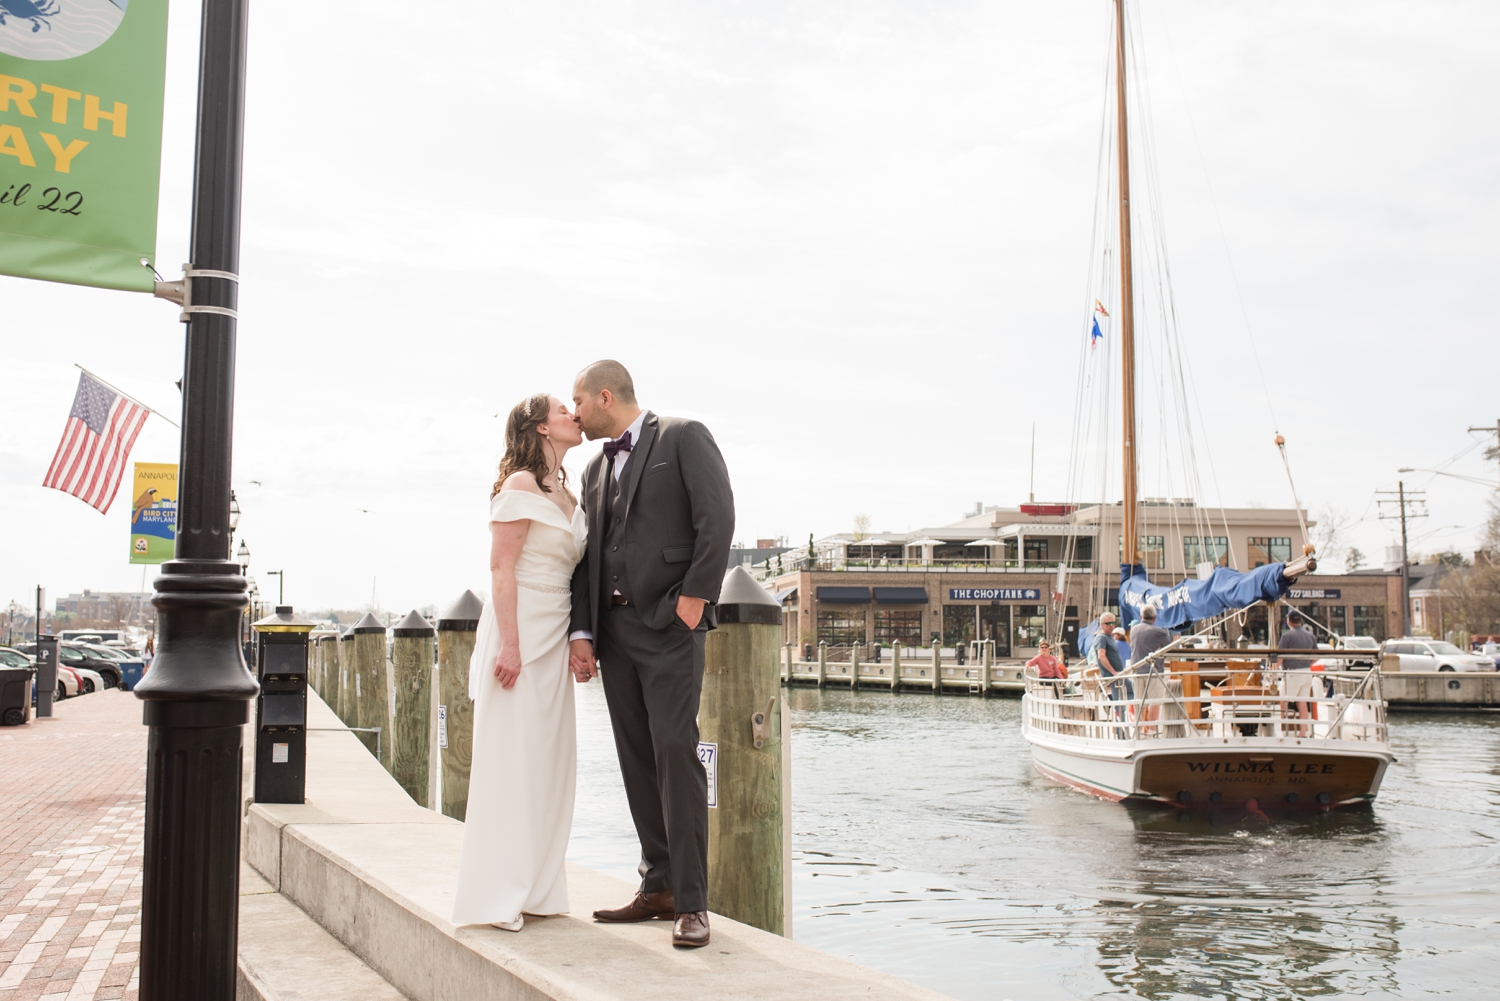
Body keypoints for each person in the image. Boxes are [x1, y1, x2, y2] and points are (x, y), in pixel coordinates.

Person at [567, 360, 735, 949]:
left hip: (669, 626)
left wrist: (693, 601)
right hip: (614, 636)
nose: (575, 412)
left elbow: (717, 518)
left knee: (675, 752)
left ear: (605, 396)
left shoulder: (683, 436)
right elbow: (589, 557)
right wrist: (583, 634)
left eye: (579, 402)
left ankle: (692, 904)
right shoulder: (592, 467)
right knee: (637, 759)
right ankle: (657, 885)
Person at [452, 393, 589, 933]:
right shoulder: (519, 487)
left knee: (550, 763)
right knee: (510, 762)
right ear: (539, 427)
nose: (574, 416)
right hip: (519, 632)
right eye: (563, 410)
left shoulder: (571, 494)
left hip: (555, 634)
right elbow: (501, 570)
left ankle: (538, 887)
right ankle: (496, 895)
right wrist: (510, 646)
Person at [1129, 607, 1172, 730]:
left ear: (1141, 617)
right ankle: (1152, 730)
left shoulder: (1133, 630)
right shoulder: (1158, 632)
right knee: (1155, 702)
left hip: (1137, 672)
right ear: (1154, 618)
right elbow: (1169, 648)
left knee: (1140, 702)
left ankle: (1139, 730)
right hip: (1153, 673)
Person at [1279, 610, 1319, 736]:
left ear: (1289, 621)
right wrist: (1308, 664)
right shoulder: (1310, 636)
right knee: (1302, 703)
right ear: (1300, 621)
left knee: (1281, 699)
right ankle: (1302, 732)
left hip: (1293, 672)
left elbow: (1279, 658)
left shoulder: (1287, 636)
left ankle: (1281, 729)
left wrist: (1272, 669)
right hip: (1307, 672)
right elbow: (1317, 655)